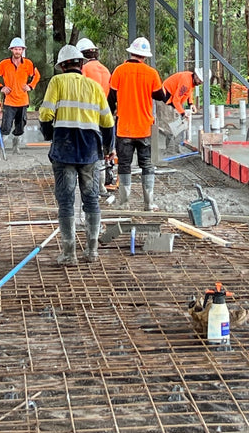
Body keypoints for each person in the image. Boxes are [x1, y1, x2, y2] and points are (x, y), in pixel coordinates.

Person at [39, 44, 115, 265]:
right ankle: (92, 252)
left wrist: (49, 136)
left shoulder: (57, 82)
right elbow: (108, 122)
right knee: (91, 200)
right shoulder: (94, 87)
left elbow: (45, 113)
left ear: (63, 66)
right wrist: (108, 149)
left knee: (66, 201)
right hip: (90, 150)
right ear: (81, 64)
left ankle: (69, 253)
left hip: (64, 148)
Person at [108, 36, 168, 210]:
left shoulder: (119, 71)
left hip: (124, 128)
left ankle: (124, 202)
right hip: (144, 129)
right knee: (147, 165)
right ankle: (149, 203)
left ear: (131, 52)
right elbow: (160, 96)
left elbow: (111, 98)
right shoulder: (151, 73)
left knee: (124, 165)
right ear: (145, 56)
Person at [77, 37, 113, 194]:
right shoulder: (105, 70)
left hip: (87, 116)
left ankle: (91, 186)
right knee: (101, 150)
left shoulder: (84, 70)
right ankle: (102, 185)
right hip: (104, 114)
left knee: (89, 150)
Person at [0, 37, 41, 152]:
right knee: (6, 125)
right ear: (11, 50)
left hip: (23, 101)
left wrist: (30, 86)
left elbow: (36, 75)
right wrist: (0, 87)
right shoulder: (4, 64)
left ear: (23, 50)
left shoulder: (28, 63)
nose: (17, 51)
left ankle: (16, 147)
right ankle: (2, 147)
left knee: (21, 126)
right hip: (9, 101)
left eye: (20, 49)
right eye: (15, 49)